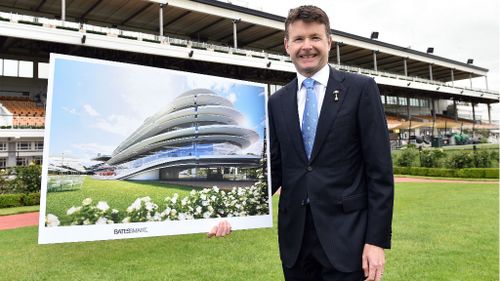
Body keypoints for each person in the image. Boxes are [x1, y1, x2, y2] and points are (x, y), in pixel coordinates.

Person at [209, 5, 394, 281]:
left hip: (348, 240)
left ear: (329, 42)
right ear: (287, 45)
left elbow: (379, 173)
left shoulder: (361, 89)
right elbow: (273, 170)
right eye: (298, 39)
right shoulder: (277, 102)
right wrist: (232, 213)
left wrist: (376, 241)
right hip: (295, 244)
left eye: (315, 37)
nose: (307, 46)